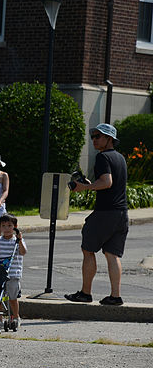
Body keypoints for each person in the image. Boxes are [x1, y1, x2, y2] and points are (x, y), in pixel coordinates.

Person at [65, 123, 128, 306]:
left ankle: (85, 293)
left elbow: (106, 182)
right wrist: (92, 184)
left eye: (98, 136)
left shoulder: (102, 157)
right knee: (112, 254)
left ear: (109, 139)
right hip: (121, 213)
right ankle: (115, 296)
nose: (94, 140)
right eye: (93, 136)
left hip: (105, 213)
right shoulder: (120, 158)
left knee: (88, 250)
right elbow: (110, 184)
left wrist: (85, 187)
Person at [0, 213, 27, 329]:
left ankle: (16, 316)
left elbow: (23, 252)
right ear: (0, 227)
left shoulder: (16, 241)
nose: (6, 229)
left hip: (13, 274)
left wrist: (20, 239)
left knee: (12, 297)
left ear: (15, 227)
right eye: (3, 226)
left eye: (9, 226)